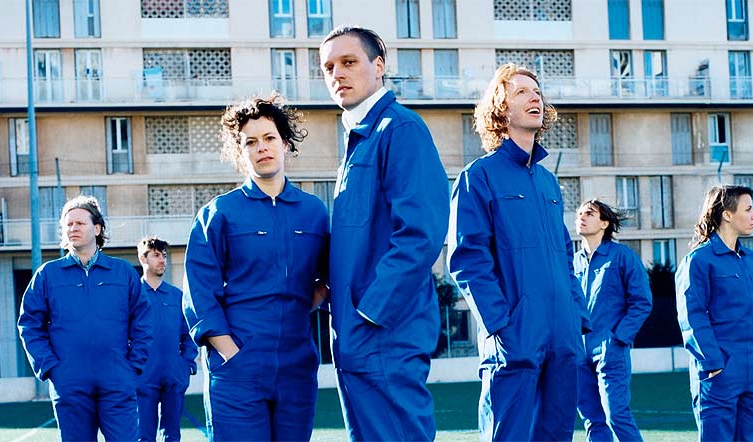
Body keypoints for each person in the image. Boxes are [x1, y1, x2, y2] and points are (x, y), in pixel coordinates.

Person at [447, 63, 590, 441]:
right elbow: (467, 259)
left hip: (563, 339)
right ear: (500, 108)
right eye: (522, 91)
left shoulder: (548, 182)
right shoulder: (478, 176)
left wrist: (576, 317)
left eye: (537, 91)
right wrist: (501, 326)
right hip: (514, 337)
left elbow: (565, 255)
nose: (534, 97)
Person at [319, 26, 449, 441]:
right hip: (354, 333)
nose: (337, 73)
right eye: (328, 67)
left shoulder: (400, 129)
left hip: (385, 331)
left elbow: (421, 233)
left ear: (379, 66)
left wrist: (371, 312)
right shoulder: (359, 139)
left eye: (348, 62)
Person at [183, 93, 329, 441]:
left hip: (297, 367)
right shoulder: (219, 213)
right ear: (240, 151)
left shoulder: (314, 212)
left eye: (269, 138)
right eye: (250, 142)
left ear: (285, 143)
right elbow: (199, 292)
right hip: (238, 369)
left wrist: (306, 303)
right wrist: (231, 353)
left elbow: (327, 278)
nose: (261, 147)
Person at [17, 195, 153, 441]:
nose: (73, 228)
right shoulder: (47, 275)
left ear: (97, 228)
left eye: (79, 223)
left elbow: (143, 321)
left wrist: (133, 365)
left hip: (117, 380)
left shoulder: (122, 272)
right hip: (69, 383)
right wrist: (50, 367)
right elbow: (29, 325)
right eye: (68, 224)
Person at [676, 184, 753, 441]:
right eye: (748, 209)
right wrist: (714, 364)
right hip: (719, 371)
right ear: (727, 214)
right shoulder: (698, 261)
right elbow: (692, 317)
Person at [573, 199, 652, 441]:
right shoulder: (572, 262)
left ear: (604, 223)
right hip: (577, 352)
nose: (581, 217)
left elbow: (642, 302)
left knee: (616, 415)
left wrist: (618, 338)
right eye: (579, 214)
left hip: (610, 349)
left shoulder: (622, 256)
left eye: (589, 213)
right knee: (592, 420)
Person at [136, 236, 198, 442]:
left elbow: (189, 334)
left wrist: (186, 364)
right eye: (156, 255)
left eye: (164, 255)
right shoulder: (132, 296)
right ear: (143, 259)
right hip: (143, 375)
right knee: (143, 436)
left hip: (174, 374)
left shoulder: (177, 296)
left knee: (172, 435)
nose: (162, 260)